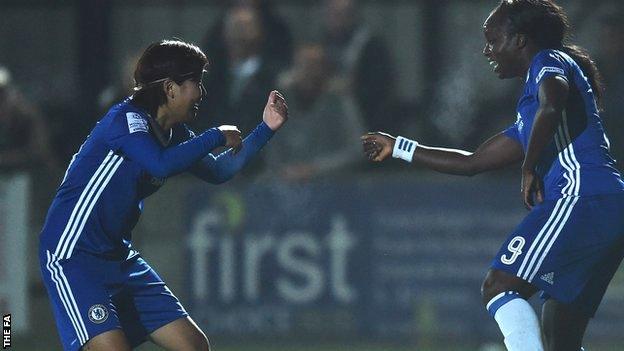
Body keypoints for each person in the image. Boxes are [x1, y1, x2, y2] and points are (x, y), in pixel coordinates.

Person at [362, 1, 624, 350]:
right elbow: (474, 161)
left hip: (583, 198)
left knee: (499, 285)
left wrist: (529, 167)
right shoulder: (530, 106)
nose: (487, 50)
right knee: (559, 331)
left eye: (493, 40)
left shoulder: (549, 61)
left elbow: (553, 99)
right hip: (606, 206)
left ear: (519, 41)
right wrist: (399, 147)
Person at [38, 39, 288, 351]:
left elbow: (217, 171)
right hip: (74, 256)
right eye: (195, 83)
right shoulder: (125, 121)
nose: (201, 93)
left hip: (120, 258)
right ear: (170, 88)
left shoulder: (173, 132)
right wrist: (215, 135)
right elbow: (160, 163)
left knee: (193, 346)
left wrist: (265, 128)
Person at [265, 43, 365, 182]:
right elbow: (272, 152)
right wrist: (285, 172)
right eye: (304, 66)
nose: (310, 72)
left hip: (334, 186)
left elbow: (357, 150)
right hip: (288, 186)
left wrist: (315, 169)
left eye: (315, 66)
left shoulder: (339, 103)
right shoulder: (280, 105)